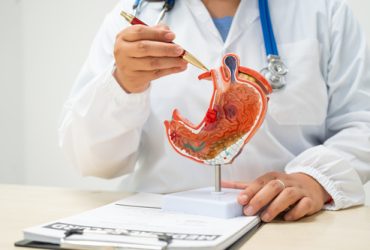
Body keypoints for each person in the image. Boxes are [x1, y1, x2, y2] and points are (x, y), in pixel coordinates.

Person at [59, 0, 370, 222]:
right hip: (166, 225)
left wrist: (315, 178)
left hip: (285, 227)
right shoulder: (132, 17)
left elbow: (362, 121)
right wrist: (123, 84)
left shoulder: (324, 11)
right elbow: (94, 161)